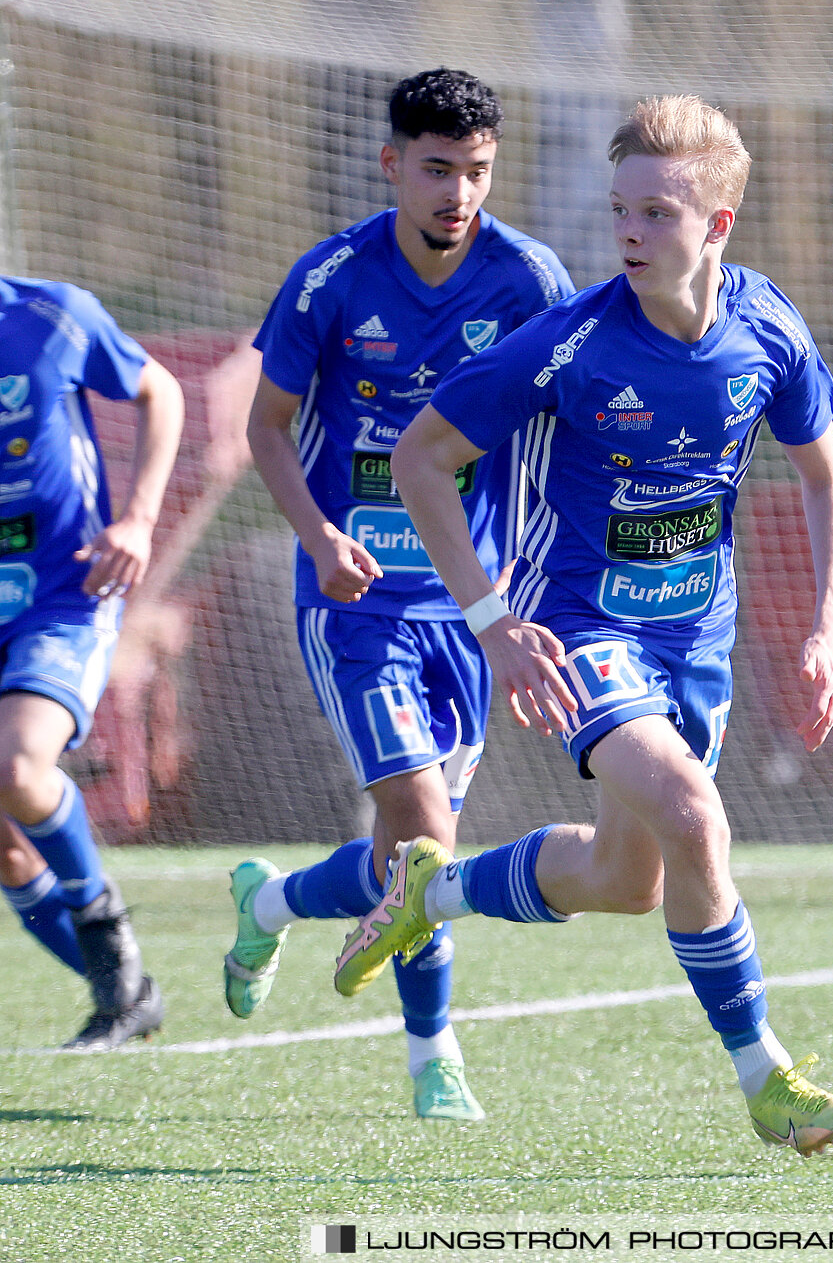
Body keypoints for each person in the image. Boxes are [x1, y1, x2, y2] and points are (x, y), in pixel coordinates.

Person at [338, 94, 833, 1154]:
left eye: (658, 214)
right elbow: (420, 460)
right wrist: (492, 623)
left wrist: (830, 627)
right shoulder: (571, 342)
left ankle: (435, 893)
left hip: (694, 645)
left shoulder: (769, 327)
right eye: (621, 210)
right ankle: (769, 1076)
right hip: (584, 632)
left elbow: (825, 479)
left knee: (629, 880)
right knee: (696, 813)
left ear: (716, 226)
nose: (630, 232)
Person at [225, 67, 575, 1121]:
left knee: (408, 859)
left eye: (474, 172)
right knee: (424, 835)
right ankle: (435, 1058)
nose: (456, 193)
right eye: (435, 169)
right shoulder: (331, 278)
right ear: (392, 165)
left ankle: (272, 900)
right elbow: (266, 426)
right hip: (358, 603)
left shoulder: (531, 281)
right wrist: (321, 534)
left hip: (475, 610)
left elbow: (562, 430)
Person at [0, 274, 185, 1050]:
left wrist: (138, 518)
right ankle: (129, 995)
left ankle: (108, 941)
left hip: (61, 593)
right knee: (8, 846)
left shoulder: (53, 313)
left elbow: (160, 391)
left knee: (17, 769)